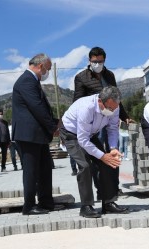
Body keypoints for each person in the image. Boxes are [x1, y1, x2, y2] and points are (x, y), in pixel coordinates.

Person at [73, 46, 133, 199]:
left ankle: (114, 187)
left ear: (104, 60)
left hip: (110, 117)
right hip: (93, 121)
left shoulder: (110, 75)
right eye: (95, 61)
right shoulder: (81, 77)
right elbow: (77, 101)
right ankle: (101, 189)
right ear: (89, 60)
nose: (97, 64)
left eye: (100, 61)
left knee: (114, 151)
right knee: (98, 155)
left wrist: (124, 116)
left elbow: (116, 98)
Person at [60, 86, 129, 218]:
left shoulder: (115, 105)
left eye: (115, 108)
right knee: (85, 166)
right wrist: (102, 156)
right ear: (100, 102)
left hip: (90, 134)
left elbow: (113, 128)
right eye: (110, 108)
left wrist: (113, 148)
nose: (113, 111)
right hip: (71, 134)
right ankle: (86, 206)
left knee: (109, 162)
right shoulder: (86, 108)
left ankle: (108, 203)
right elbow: (82, 140)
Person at [12, 53, 61, 215]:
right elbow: (37, 107)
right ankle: (29, 206)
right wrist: (53, 126)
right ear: (40, 66)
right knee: (31, 171)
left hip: (37, 135)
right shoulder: (26, 80)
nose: (47, 73)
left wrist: (54, 121)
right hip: (28, 136)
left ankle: (46, 203)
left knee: (45, 169)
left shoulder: (32, 81)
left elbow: (40, 108)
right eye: (47, 69)